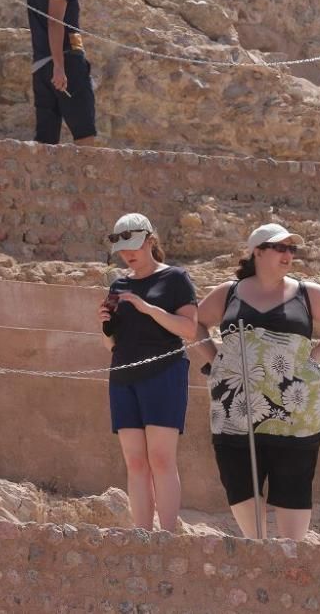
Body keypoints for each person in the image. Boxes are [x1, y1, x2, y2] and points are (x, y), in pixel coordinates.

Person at [195, 223, 320, 540]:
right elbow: (195, 323)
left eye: (291, 249)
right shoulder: (229, 292)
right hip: (236, 413)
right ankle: (257, 546)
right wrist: (214, 357)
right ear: (257, 251)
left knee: (294, 483)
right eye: (280, 248)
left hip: (295, 415)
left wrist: (316, 356)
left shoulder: (306, 293)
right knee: (237, 477)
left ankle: (290, 557)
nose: (288, 255)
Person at [97, 213, 197, 532]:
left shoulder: (176, 279)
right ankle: (142, 535)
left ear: (150, 241)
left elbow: (190, 329)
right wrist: (103, 324)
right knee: (135, 461)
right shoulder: (118, 284)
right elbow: (110, 342)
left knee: (161, 459)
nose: (128, 254)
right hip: (124, 375)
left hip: (165, 372)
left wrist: (148, 309)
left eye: (134, 246)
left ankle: (166, 535)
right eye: (123, 249)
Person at [26, 0, 96, 146]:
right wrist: (59, 66)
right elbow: (54, 21)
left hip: (40, 67)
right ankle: (87, 177)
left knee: (45, 142)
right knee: (85, 135)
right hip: (66, 64)